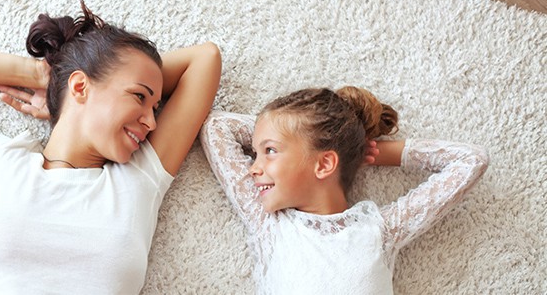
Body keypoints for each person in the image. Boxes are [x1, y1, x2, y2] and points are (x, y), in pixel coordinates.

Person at [0, 0, 221, 294]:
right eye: (140, 96)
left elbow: (205, 59)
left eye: (156, 104)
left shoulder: (137, 181)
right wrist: (44, 76)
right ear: (81, 85)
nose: (152, 122)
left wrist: (79, 88)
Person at [199, 86, 489, 294]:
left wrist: (372, 153)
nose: (253, 167)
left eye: (270, 150)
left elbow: (471, 161)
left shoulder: (380, 230)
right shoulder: (269, 224)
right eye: (255, 151)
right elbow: (217, 128)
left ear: (324, 164)